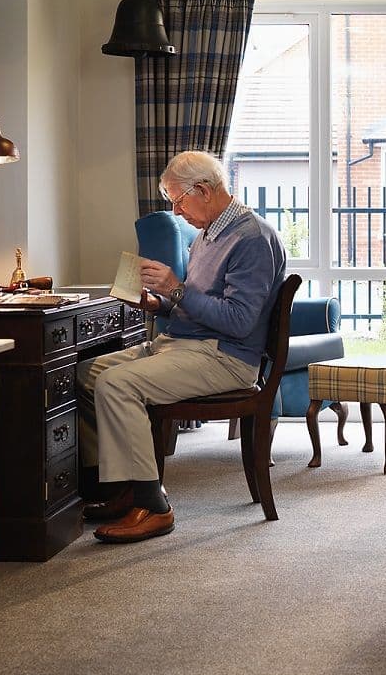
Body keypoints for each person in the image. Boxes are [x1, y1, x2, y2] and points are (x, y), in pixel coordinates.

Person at [78, 151, 287, 543]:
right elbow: (194, 304)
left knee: (116, 384)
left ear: (204, 191)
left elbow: (238, 321)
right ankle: (124, 484)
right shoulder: (208, 234)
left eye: (178, 200)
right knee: (86, 374)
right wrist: (158, 302)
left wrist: (176, 288)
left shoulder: (253, 239)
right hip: (187, 345)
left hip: (225, 357)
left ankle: (153, 505)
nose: (176, 210)